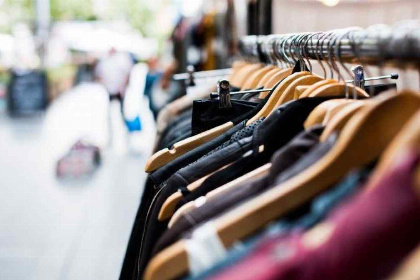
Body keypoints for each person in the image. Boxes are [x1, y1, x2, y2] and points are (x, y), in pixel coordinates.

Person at [94, 47, 134, 113]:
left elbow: (128, 74)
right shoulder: (105, 61)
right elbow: (98, 75)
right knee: (109, 108)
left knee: (121, 109)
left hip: (119, 90)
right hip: (109, 89)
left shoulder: (121, 60)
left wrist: (123, 86)